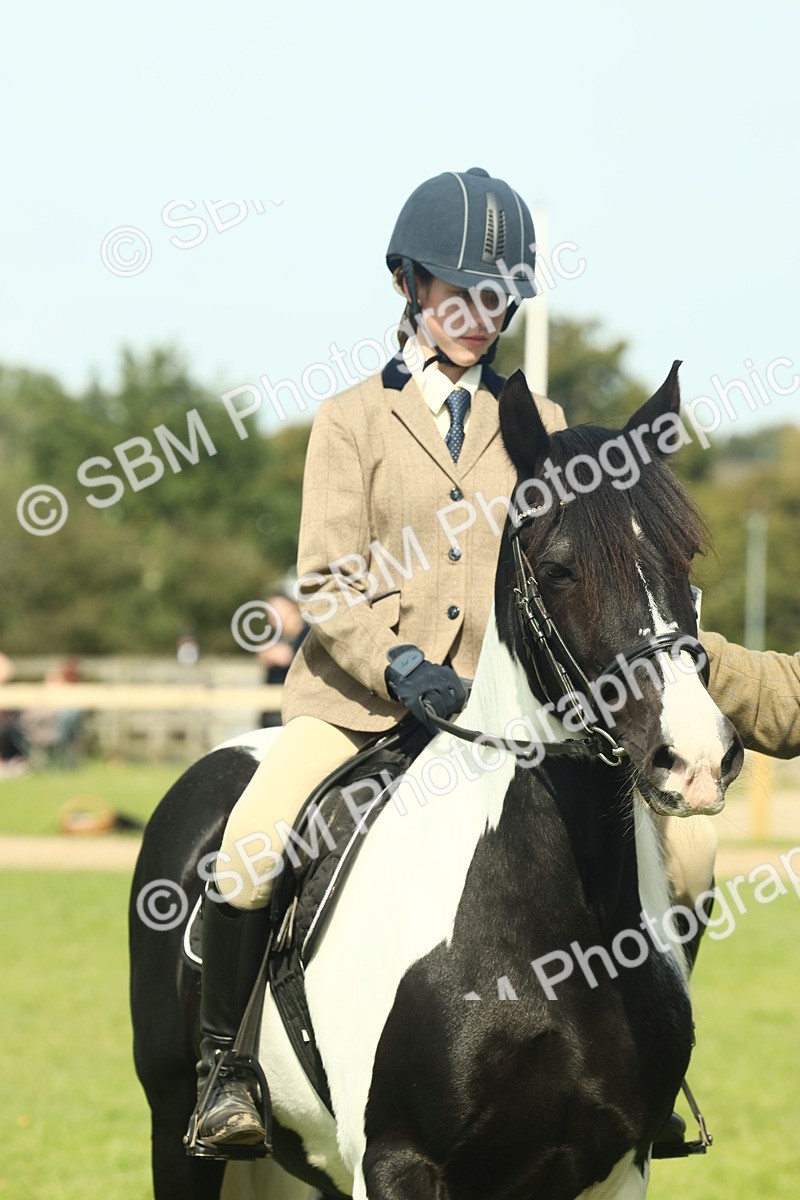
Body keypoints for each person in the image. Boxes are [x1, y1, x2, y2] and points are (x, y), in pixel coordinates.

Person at [188, 168, 800, 1155]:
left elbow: (588, 572)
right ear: (409, 285)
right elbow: (327, 581)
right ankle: (226, 1070)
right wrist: (397, 666)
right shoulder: (350, 420)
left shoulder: (544, 428)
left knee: (689, 856)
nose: (480, 314)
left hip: (508, 715)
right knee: (252, 841)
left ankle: (648, 1067)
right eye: (458, 292)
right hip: (361, 704)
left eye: (499, 296)